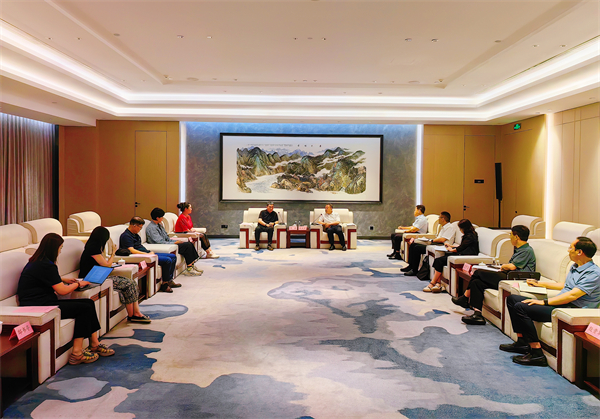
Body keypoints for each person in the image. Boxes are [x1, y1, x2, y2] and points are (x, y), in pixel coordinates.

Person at [17, 233, 115, 365]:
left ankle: (94, 344)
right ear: (54, 248)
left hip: (41, 301)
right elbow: (62, 291)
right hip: (40, 305)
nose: (60, 251)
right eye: (60, 248)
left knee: (89, 303)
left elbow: (45, 278)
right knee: (84, 309)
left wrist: (63, 279)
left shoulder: (38, 261)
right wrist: (78, 284)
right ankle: (77, 354)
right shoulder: (46, 265)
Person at [500, 237, 599, 367]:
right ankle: (522, 343)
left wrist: (544, 302)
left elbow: (573, 295)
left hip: (572, 309)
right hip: (562, 304)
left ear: (580, 252)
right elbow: (566, 286)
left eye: (571, 248)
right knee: (512, 299)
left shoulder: (593, 273)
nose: (568, 250)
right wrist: (540, 284)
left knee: (521, 307)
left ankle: (537, 354)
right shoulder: (575, 266)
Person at [452, 225, 536, 325]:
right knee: (476, 282)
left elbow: (512, 267)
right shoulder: (520, 249)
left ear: (516, 237)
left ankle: (465, 298)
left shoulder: (526, 250)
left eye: (511, 234)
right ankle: (477, 315)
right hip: (508, 275)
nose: (510, 237)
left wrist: (504, 266)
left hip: (513, 279)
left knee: (478, 273)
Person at [79, 226, 150, 324]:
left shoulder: (94, 247)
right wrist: (113, 253)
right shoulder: (93, 248)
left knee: (131, 282)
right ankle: (133, 315)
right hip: (92, 278)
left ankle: (135, 313)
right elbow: (106, 264)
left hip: (99, 275)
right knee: (128, 284)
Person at [120, 217, 180, 293]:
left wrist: (149, 252)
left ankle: (169, 280)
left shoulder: (135, 234)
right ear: (134, 225)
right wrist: (147, 254)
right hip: (144, 256)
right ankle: (164, 284)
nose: (140, 229)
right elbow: (131, 250)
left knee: (173, 257)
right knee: (167, 260)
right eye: (139, 227)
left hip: (147, 253)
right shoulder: (126, 236)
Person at [424, 219, 479, 293]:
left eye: (460, 228)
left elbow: (460, 248)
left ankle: (433, 283)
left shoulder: (469, 236)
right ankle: (438, 283)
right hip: (462, 253)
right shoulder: (471, 234)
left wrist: (451, 249)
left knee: (439, 260)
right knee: (439, 260)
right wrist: (451, 246)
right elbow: (463, 246)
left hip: (464, 255)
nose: (460, 230)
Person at [147, 208, 204, 277]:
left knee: (189, 244)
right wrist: (174, 243)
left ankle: (191, 265)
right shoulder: (152, 228)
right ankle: (189, 268)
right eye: (161, 217)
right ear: (157, 218)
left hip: (167, 243)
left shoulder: (159, 225)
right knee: (187, 246)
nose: (162, 218)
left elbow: (167, 238)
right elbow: (159, 242)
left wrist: (175, 241)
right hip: (163, 245)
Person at [403, 211, 455, 276]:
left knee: (417, 248)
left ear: (443, 219)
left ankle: (414, 270)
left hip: (441, 246)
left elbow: (442, 240)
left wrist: (431, 240)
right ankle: (410, 266)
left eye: (439, 217)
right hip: (436, 244)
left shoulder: (450, 227)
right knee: (413, 245)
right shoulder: (443, 227)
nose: (438, 219)